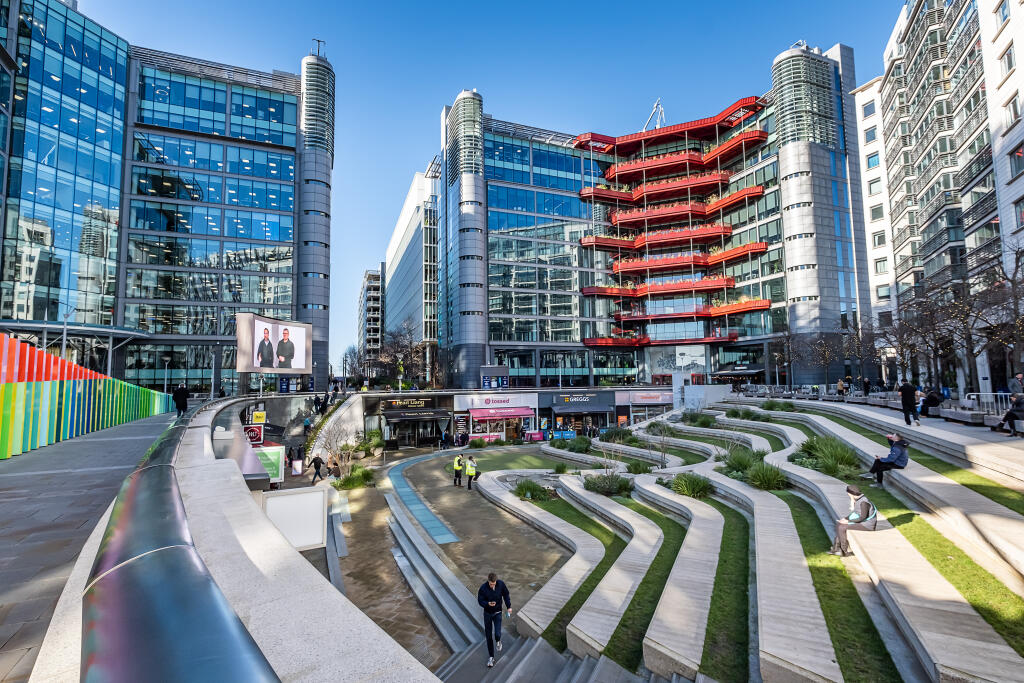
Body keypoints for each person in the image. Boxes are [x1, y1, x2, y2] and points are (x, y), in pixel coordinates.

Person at [477, 572, 512, 668]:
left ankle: (498, 640)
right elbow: (480, 600)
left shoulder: (501, 584)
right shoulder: (483, 588)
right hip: (487, 614)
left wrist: (509, 606)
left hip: (498, 613)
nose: (493, 585)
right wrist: (487, 604)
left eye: (494, 583)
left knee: (497, 633)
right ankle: (491, 657)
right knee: (488, 636)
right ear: (488, 581)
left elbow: (506, 595)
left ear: (496, 581)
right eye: (491, 584)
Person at [829, 485, 877, 556]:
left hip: (867, 525)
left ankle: (843, 550)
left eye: (848, 494)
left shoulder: (864, 502)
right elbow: (856, 513)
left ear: (851, 494)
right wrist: (845, 518)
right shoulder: (858, 500)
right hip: (862, 522)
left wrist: (848, 521)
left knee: (842, 527)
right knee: (839, 524)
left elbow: (862, 517)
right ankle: (836, 548)